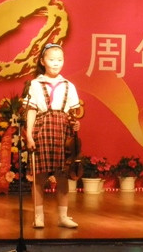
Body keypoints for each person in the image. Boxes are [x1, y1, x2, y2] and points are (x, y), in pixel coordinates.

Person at [23, 43, 81, 229]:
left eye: (60, 60)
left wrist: (76, 124)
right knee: (39, 176)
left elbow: (73, 114)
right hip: (42, 130)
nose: (56, 63)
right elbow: (31, 111)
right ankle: (38, 216)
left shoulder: (68, 85)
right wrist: (29, 136)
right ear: (42, 61)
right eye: (52, 59)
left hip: (63, 131)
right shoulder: (34, 84)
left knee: (62, 175)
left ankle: (63, 216)